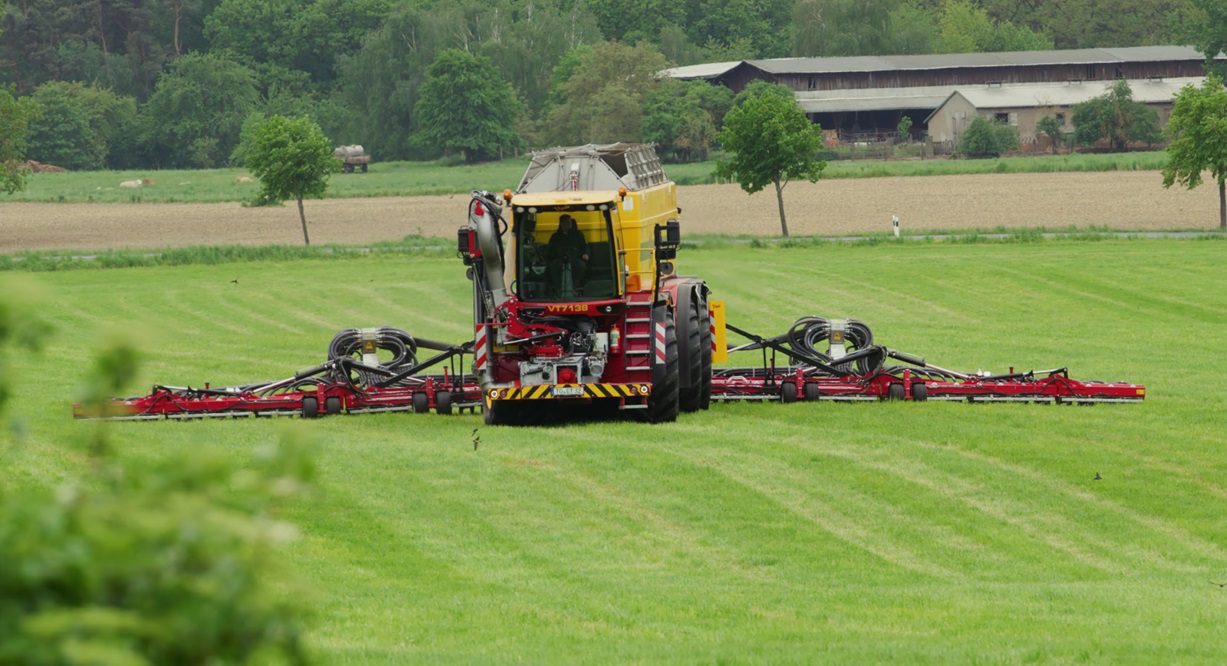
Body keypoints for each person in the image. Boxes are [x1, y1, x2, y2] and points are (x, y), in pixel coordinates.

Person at [547, 214, 588, 296]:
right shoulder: (555, 237)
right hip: (559, 259)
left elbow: (584, 246)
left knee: (581, 266)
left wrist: (585, 254)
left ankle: (575, 288)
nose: (569, 224)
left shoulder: (578, 235)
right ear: (561, 223)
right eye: (566, 222)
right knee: (553, 267)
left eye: (570, 222)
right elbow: (550, 250)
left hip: (575, 258)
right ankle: (558, 289)